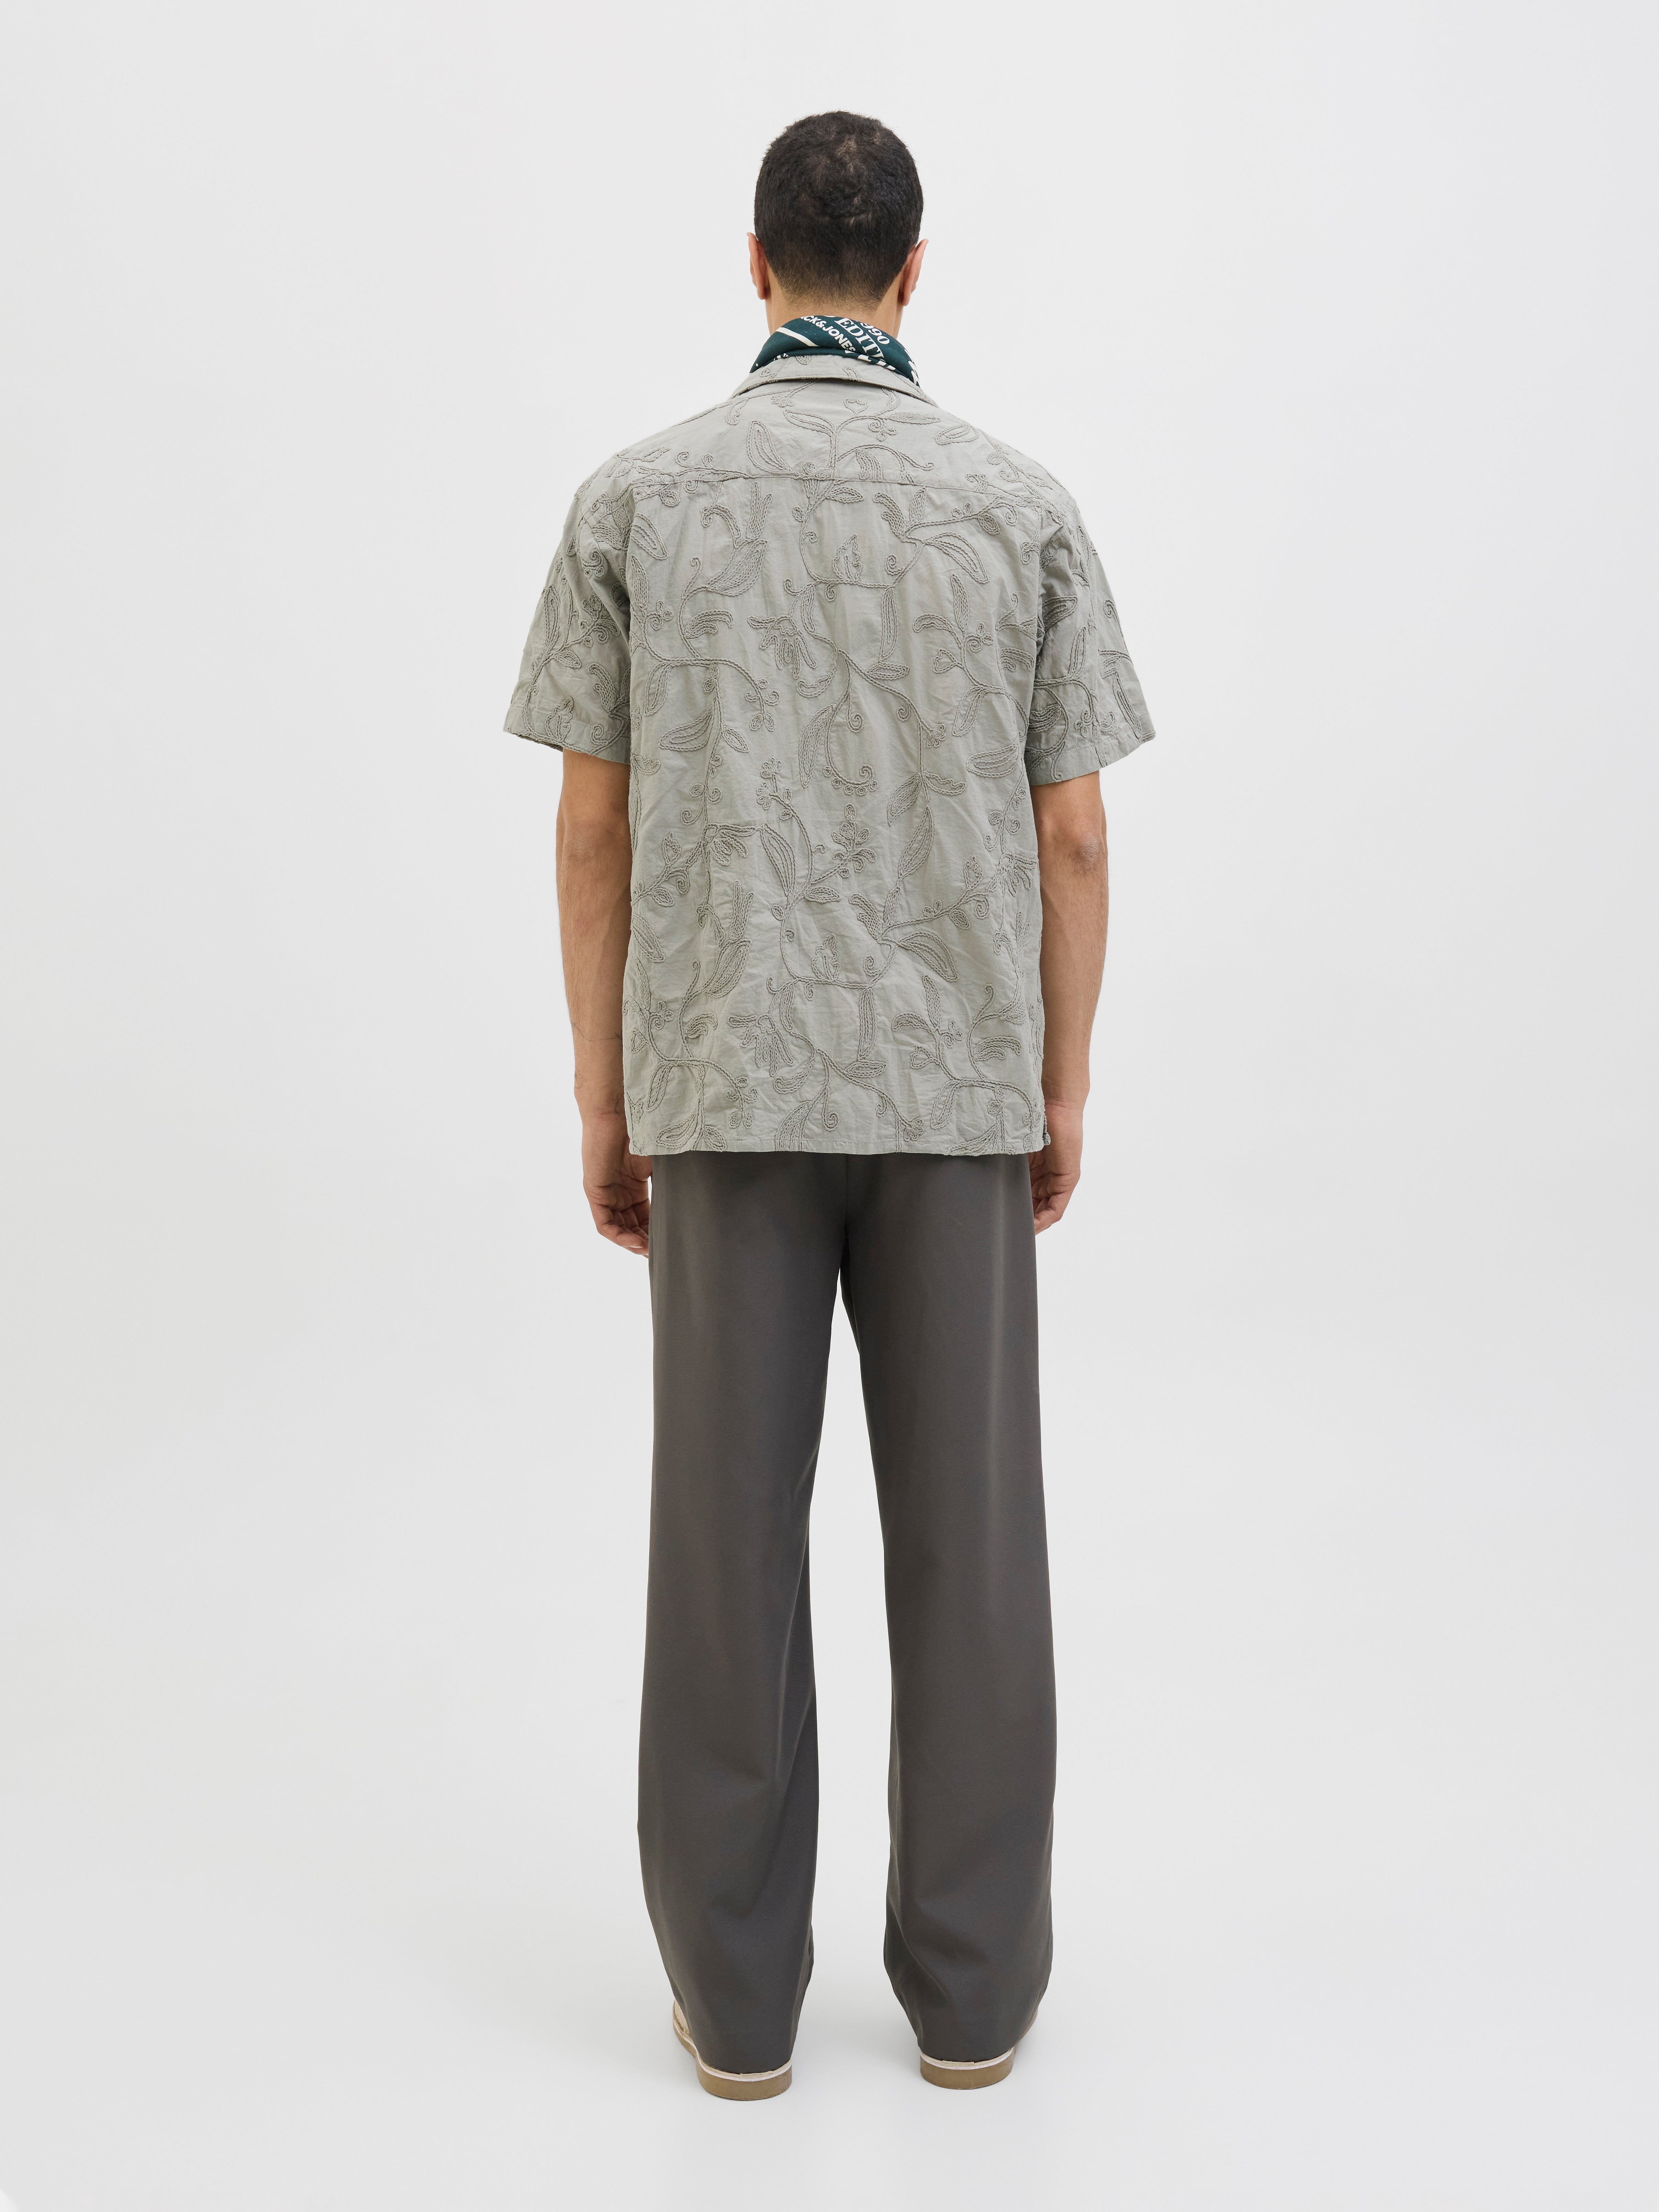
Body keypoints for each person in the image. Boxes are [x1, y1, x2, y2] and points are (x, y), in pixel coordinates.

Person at [504, 110, 1155, 2100]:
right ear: (915, 270)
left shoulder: (638, 501)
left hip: (722, 1078)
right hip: (956, 1092)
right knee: (974, 1556)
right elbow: (1075, 836)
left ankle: (737, 2010)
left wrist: (606, 1091)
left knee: (724, 1553)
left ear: (757, 261)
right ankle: (972, 2001)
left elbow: (594, 829)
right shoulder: (1017, 506)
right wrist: (1059, 1081)